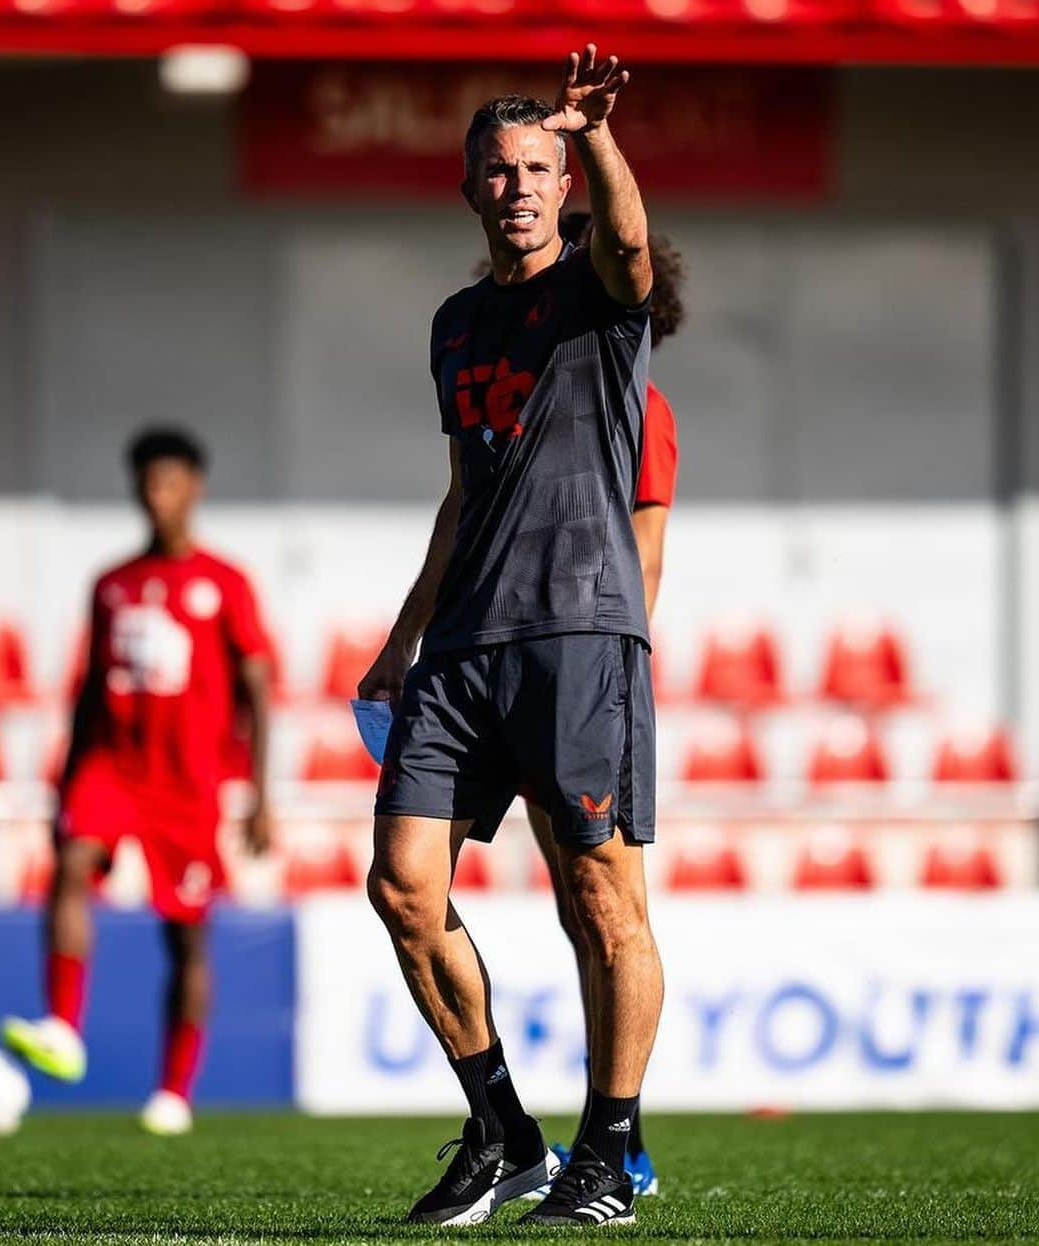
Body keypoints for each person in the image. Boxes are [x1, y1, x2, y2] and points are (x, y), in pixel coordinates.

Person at [360, 45, 664, 1228]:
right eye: (501, 167)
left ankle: (610, 1148)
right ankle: (503, 1131)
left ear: (563, 179)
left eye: (540, 166)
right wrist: (403, 637)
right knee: (400, 884)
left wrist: (596, 134)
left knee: (599, 901)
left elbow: (635, 247)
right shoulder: (455, 323)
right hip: (464, 649)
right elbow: (460, 489)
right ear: (471, 185)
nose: (521, 185)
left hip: (580, 631)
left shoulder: (597, 292)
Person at [1, 428, 272, 1136]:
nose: (157, 496)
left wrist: (260, 794)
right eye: (148, 484)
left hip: (187, 782)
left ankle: (174, 1090)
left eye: (170, 482)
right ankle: (61, 1023)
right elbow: (90, 686)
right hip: (111, 764)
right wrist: (65, 779)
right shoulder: (111, 584)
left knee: (185, 940)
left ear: (194, 487)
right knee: (70, 864)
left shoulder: (226, 582)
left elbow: (258, 687)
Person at [523, 211, 683, 1200]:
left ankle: (620, 1139)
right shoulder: (532, 395)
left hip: (593, 671)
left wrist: (610, 668)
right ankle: (607, 1131)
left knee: (612, 909)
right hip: (523, 672)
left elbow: (647, 549)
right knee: (584, 914)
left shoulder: (640, 405)